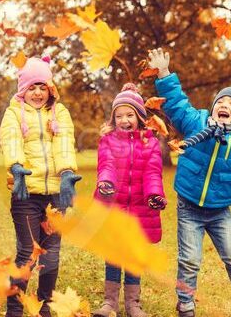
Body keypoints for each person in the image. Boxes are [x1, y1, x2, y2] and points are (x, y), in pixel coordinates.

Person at [149, 48, 231, 317]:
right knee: (189, 261)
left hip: (220, 210)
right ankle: (185, 304)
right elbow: (176, 103)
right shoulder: (196, 122)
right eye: (221, 101)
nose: (224, 105)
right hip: (189, 207)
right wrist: (164, 73)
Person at [0, 56, 80, 317]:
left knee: (51, 253)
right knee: (27, 253)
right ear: (23, 90)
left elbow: (64, 143)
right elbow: (11, 140)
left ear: (50, 89)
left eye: (42, 87)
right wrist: (16, 167)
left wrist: (67, 174)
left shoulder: (60, 112)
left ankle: (44, 306)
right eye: (32, 87)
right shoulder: (14, 113)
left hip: (56, 195)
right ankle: (15, 309)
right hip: (26, 194)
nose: (37, 92)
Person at [92, 83, 166, 317]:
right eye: (119, 115)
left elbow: (153, 172)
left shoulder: (150, 142)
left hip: (139, 209)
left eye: (129, 114)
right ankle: (109, 303)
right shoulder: (108, 141)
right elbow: (107, 165)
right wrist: (106, 182)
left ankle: (133, 304)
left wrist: (155, 195)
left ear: (140, 117)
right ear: (114, 119)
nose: (124, 119)